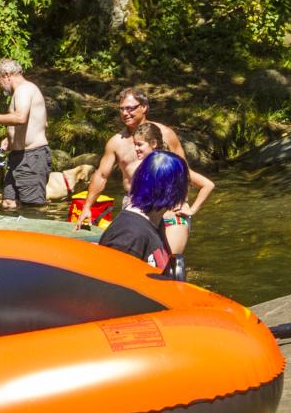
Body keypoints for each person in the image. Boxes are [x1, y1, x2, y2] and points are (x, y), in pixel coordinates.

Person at [76, 88, 184, 228]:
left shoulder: (165, 134)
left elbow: (183, 170)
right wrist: (86, 207)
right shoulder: (116, 142)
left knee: (167, 249)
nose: (125, 113)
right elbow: (101, 176)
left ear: (144, 107)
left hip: (166, 204)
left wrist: (182, 201)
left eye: (130, 108)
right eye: (121, 109)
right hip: (133, 204)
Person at [98, 149, 189, 279]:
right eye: (185, 182)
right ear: (174, 189)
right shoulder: (129, 236)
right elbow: (112, 290)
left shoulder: (154, 223)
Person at [0, 59, 50, 211]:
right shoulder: (20, 92)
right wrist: (10, 139)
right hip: (18, 156)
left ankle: (38, 234)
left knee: (32, 207)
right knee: (8, 203)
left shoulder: (25, 89)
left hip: (31, 157)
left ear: (7, 75)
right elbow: (37, 122)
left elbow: (20, 118)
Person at [129, 121, 212, 259]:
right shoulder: (146, 167)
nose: (136, 149)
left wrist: (192, 210)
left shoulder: (171, 166)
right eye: (135, 144)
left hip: (173, 222)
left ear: (153, 143)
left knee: (169, 266)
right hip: (153, 223)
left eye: (139, 144)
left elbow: (208, 185)